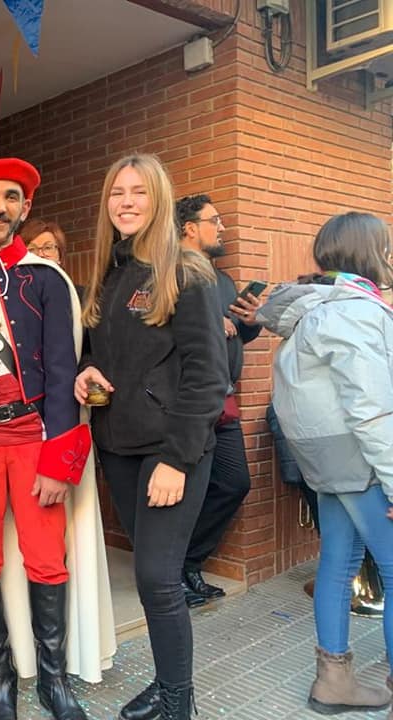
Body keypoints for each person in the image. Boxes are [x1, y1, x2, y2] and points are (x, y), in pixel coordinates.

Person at [0, 158, 97, 720]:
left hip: (36, 441)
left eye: (11, 197)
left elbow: (62, 371)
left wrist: (61, 460)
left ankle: (53, 683)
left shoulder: (46, 279)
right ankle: (0, 679)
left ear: (24, 208)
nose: (0, 207)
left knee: (46, 561)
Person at [74, 154, 227, 720]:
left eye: (139, 191)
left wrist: (177, 459)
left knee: (158, 579)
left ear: (159, 200)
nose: (127, 202)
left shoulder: (185, 272)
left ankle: (178, 703)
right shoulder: (109, 272)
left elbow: (208, 376)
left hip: (171, 453)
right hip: (119, 446)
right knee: (151, 576)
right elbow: (101, 352)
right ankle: (168, 686)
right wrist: (84, 369)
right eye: (118, 192)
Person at [255, 211, 393, 717]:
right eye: (387, 246)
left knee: (338, 562)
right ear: (369, 253)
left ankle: (333, 681)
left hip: (329, 462)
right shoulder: (354, 311)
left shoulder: (315, 309)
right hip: (362, 462)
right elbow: (372, 408)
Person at [175, 194, 261, 609]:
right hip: (189, 405)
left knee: (233, 483)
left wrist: (248, 322)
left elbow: (238, 335)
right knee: (186, 492)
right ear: (189, 227)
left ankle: (188, 562)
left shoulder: (221, 278)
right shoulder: (172, 272)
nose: (221, 227)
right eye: (214, 220)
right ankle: (173, 576)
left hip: (223, 402)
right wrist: (213, 323)